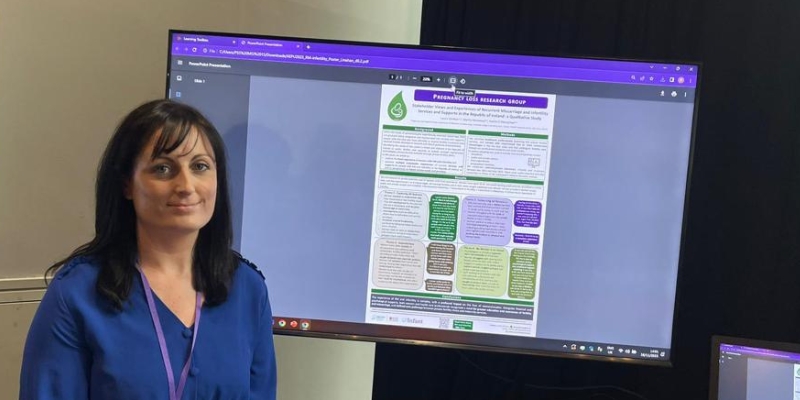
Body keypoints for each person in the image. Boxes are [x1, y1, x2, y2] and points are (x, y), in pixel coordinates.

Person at [19, 99, 277, 399]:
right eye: (163, 168)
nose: (186, 185)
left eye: (200, 166)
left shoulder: (248, 290)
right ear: (127, 184)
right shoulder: (77, 294)